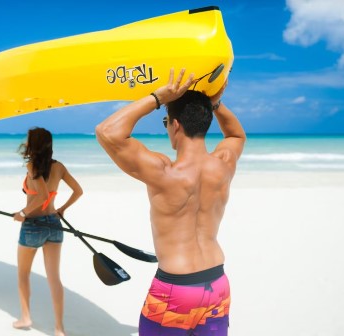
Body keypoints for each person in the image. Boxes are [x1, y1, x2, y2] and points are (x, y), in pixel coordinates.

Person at [95, 68, 246, 335]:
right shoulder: (224, 164)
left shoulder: (164, 172)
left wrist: (157, 96)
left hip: (176, 291)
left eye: (166, 121)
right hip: (217, 284)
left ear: (175, 125)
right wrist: (214, 104)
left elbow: (108, 132)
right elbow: (235, 135)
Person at [12, 127, 83, 335]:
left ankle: (25, 317)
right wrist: (62, 209)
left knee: (23, 274)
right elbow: (79, 191)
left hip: (33, 226)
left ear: (33, 144)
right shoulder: (59, 166)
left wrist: (22, 213)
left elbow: (42, 196)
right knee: (54, 278)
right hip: (54, 224)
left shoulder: (32, 165)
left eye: (27, 139)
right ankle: (59, 329)